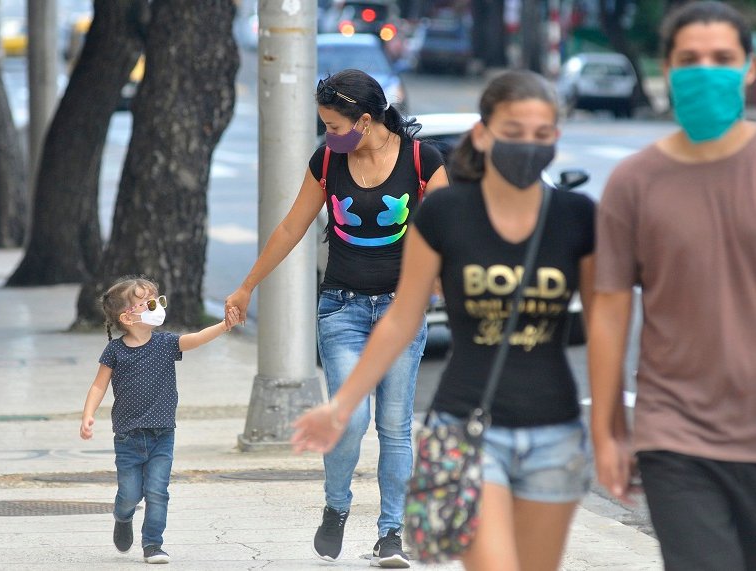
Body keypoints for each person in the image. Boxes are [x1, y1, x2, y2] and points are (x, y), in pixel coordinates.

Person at [292, 69, 597, 571]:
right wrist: (341, 405)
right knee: (481, 558)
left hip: (553, 430)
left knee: (536, 562)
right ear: (483, 135)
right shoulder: (443, 215)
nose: (526, 146)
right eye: (512, 131)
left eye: (541, 134)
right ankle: (356, 515)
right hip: (457, 421)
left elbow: (608, 323)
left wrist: (609, 426)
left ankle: (389, 532)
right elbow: (401, 317)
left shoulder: (573, 216)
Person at [225, 69, 448, 567]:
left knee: (394, 424)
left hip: (401, 308)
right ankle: (336, 507)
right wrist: (247, 285)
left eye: (333, 125)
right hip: (341, 307)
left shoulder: (421, 161)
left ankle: (392, 533)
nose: (328, 134)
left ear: (364, 122)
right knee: (348, 418)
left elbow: (447, 231)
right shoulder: (327, 160)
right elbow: (290, 227)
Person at [589, 2, 756, 570]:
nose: (705, 70)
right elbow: (609, 310)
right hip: (676, 437)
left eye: (722, 58)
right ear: (667, 67)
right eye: (690, 60)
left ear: (749, 67)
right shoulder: (634, 182)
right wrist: (607, 427)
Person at [80, 277, 240, 564]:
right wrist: (88, 414)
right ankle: (122, 516)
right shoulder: (115, 351)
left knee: (157, 491)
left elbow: (197, 338)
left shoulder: (166, 343)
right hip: (128, 436)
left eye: (158, 300)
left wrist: (224, 325)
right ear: (127, 317)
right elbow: (98, 386)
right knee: (130, 494)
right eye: (148, 303)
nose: (157, 306)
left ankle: (153, 544)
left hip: (163, 435)